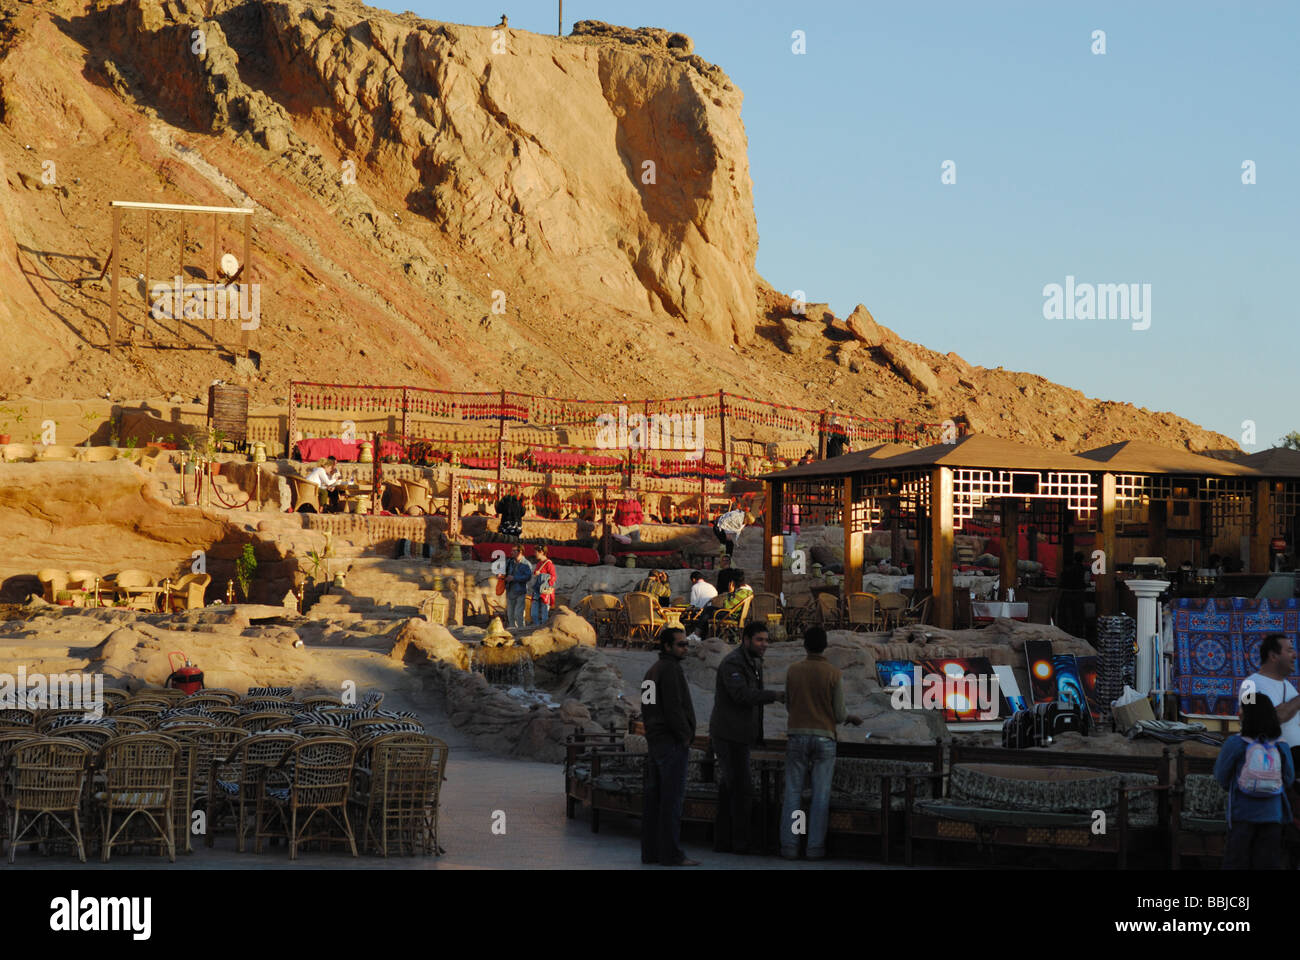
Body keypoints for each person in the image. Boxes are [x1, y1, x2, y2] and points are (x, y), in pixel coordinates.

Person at [780, 627, 863, 859]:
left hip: (797, 734)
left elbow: (789, 704)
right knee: (820, 794)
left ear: (804, 645)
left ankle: (790, 845)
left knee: (794, 792)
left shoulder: (793, 671)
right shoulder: (833, 673)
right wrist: (850, 718)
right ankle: (814, 847)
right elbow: (838, 714)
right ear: (825, 645)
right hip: (824, 737)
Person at [708, 622, 783, 854]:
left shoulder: (753, 663)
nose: (764, 645)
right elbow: (742, 695)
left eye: (766, 640)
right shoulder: (733, 663)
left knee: (731, 786)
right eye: (760, 640)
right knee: (740, 788)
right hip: (728, 734)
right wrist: (776, 696)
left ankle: (725, 841)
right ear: (746, 639)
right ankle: (738, 842)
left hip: (740, 735)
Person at [1215, 692, 1294, 869]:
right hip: (1273, 816)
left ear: (1247, 715)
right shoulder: (1281, 744)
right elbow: (1288, 779)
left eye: (1242, 709)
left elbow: (1221, 776)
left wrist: (1241, 786)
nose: (1239, 713)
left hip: (1241, 814)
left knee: (1236, 863)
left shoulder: (1235, 743)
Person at [640, 627, 699, 866]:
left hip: (656, 741)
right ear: (667, 646)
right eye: (680, 645)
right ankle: (671, 854)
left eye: (686, 644)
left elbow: (647, 706)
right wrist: (685, 735)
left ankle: (651, 852)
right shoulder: (670, 670)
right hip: (671, 743)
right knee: (671, 801)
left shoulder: (651, 671)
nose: (685, 648)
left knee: (654, 799)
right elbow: (674, 708)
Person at [1241, 634, 1300, 750]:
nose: (1295, 655)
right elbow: (1266, 722)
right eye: (1289, 651)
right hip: (1271, 762)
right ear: (1273, 656)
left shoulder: (1289, 686)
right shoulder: (1250, 685)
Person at [504, 544, 532, 629]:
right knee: (510, 614)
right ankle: (512, 632)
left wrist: (514, 578)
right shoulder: (510, 562)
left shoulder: (526, 564)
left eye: (514, 551)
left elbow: (528, 577)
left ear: (520, 552)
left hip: (520, 591)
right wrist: (501, 575)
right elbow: (504, 571)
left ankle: (521, 631)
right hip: (510, 591)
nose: (511, 552)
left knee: (518, 614)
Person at [529, 545, 557, 625]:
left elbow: (553, 577)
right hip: (537, 590)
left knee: (545, 615)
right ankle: (538, 627)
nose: (535, 554)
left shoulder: (549, 564)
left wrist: (542, 576)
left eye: (536, 552)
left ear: (541, 552)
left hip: (545, 591)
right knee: (533, 614)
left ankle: (543, 630)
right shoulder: (539, 564)